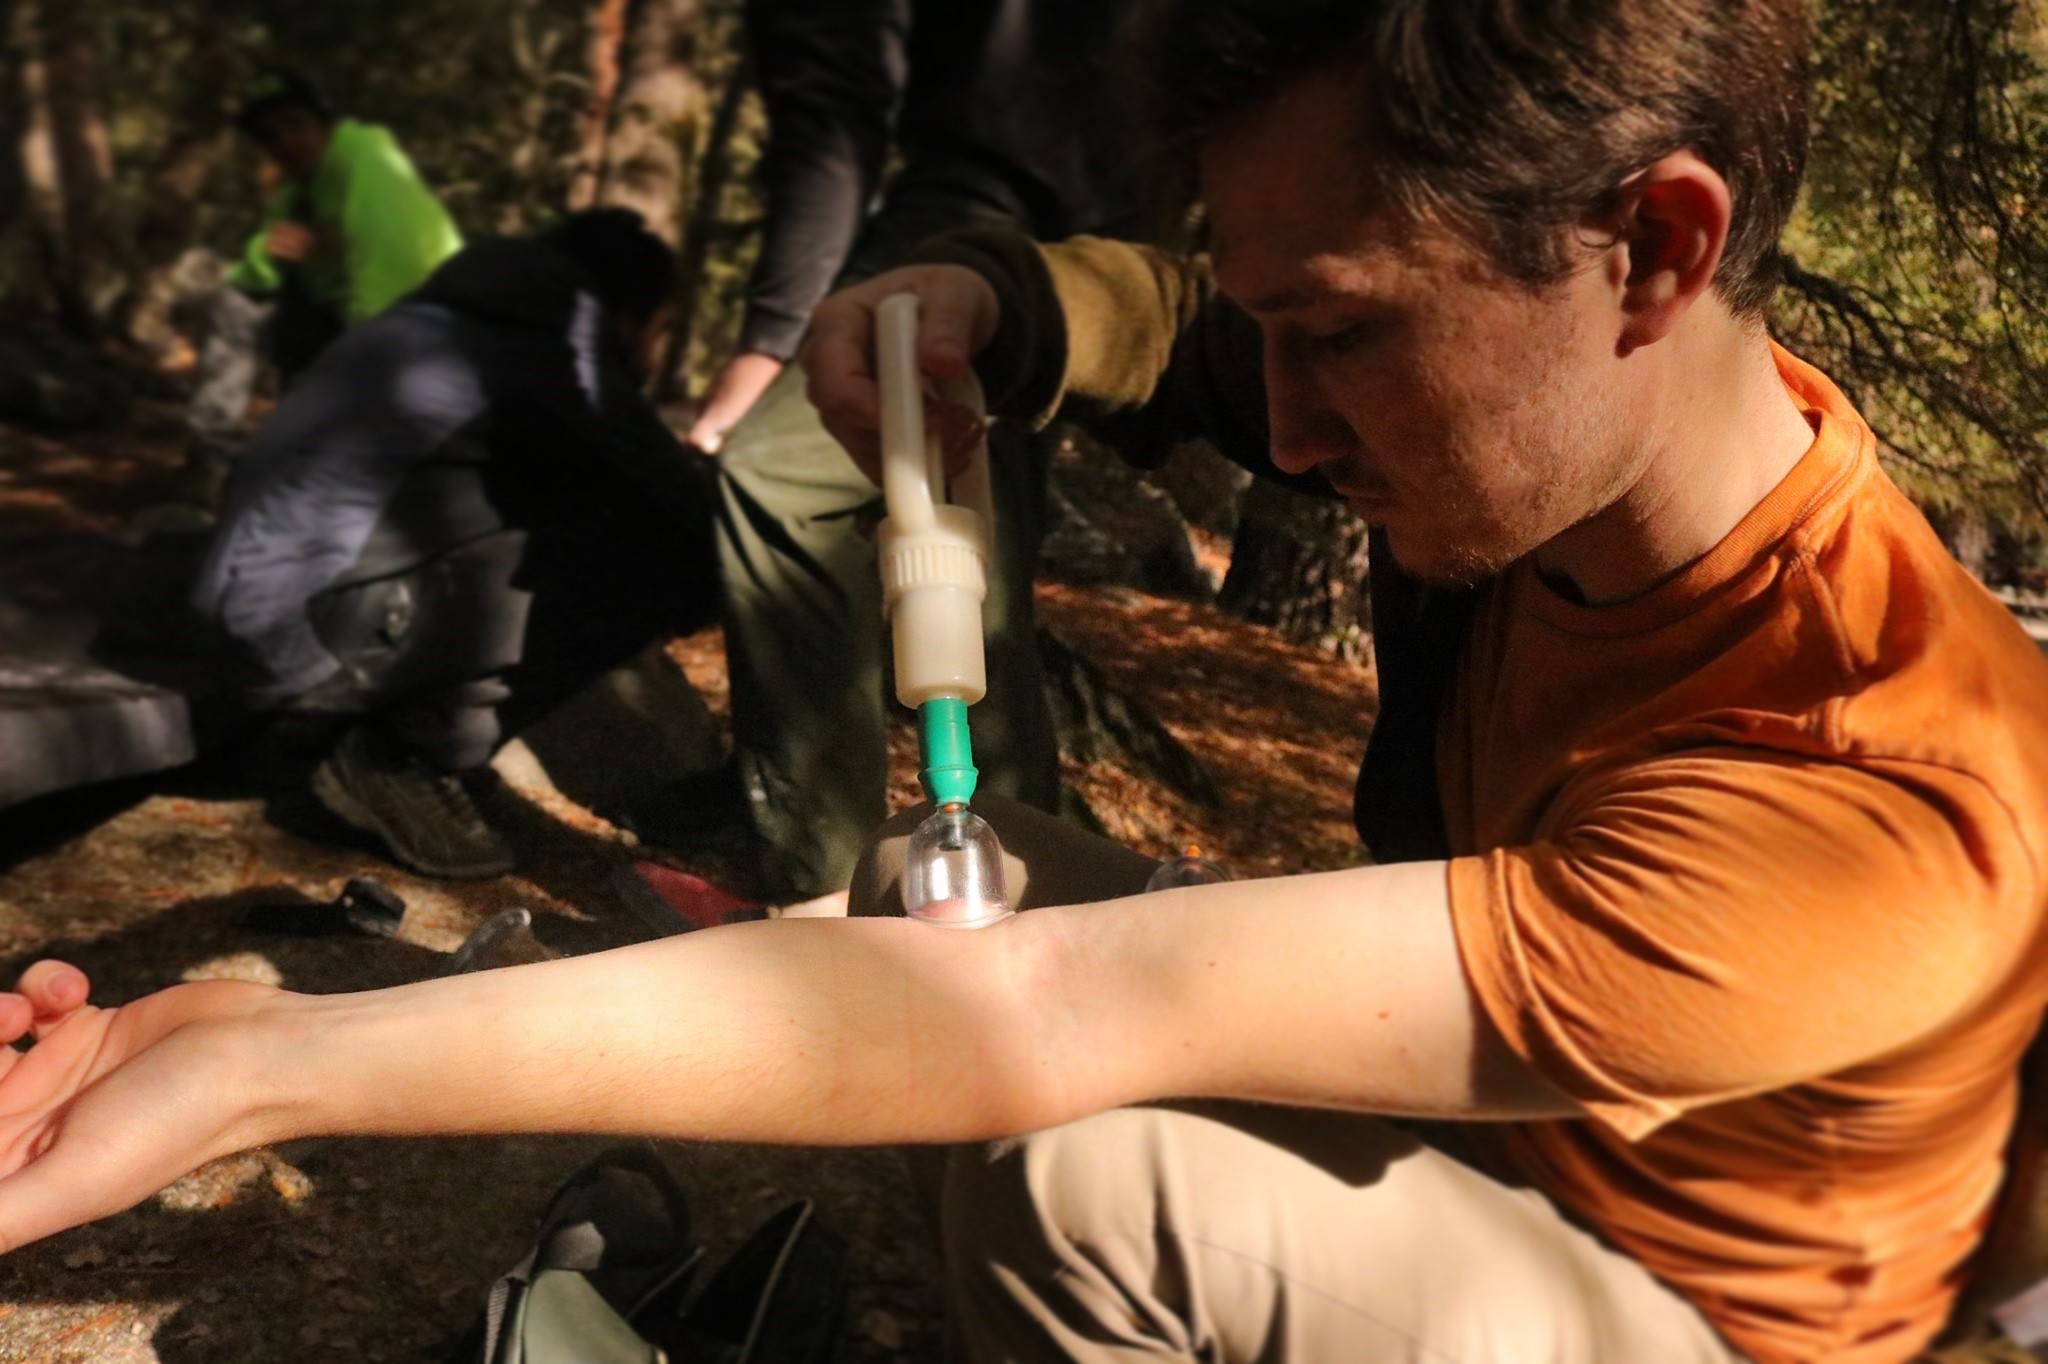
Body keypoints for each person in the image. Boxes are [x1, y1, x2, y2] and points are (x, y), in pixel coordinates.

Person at [0, 4, 2045, 1362]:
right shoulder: (1583, 434)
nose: (1300, 428)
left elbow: (1055, 1017)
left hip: (1686, 1307)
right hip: (1532, 1137)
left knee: (1091, 1170)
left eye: (1340, 337)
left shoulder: (1881, 790)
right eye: (1290, 339)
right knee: (946, 886)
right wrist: (986, 296)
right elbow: (1182, 324)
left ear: (1656, 246)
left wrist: (259, 1072)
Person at [706, 0, 1143, 898]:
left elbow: (834, 108)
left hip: (979, 206)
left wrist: (767, 344)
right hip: (1092, 226)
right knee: (968, 549)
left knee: (773, 478)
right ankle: (1025, 909)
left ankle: (832, 895)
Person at [191, 209, 717, 879]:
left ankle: (410, 730)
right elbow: (673, 502)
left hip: (261, 620)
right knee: (663, 558)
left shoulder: (458, 314)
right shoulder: (554, 332)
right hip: (304, 650)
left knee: (584, 516)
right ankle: (405, 758)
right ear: (628, 312)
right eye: (663, 327)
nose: (656, 348)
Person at [178, 70, 463, 511]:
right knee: (233, 302)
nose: (285, 141)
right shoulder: (299, 189)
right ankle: (211, 462)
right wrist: (269, 252)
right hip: (336, 330)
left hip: (416, 335)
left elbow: (387, 278)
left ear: (324, 121)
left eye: (295, 123)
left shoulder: (364, 160)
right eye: (269, 135)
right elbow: (257, 276)